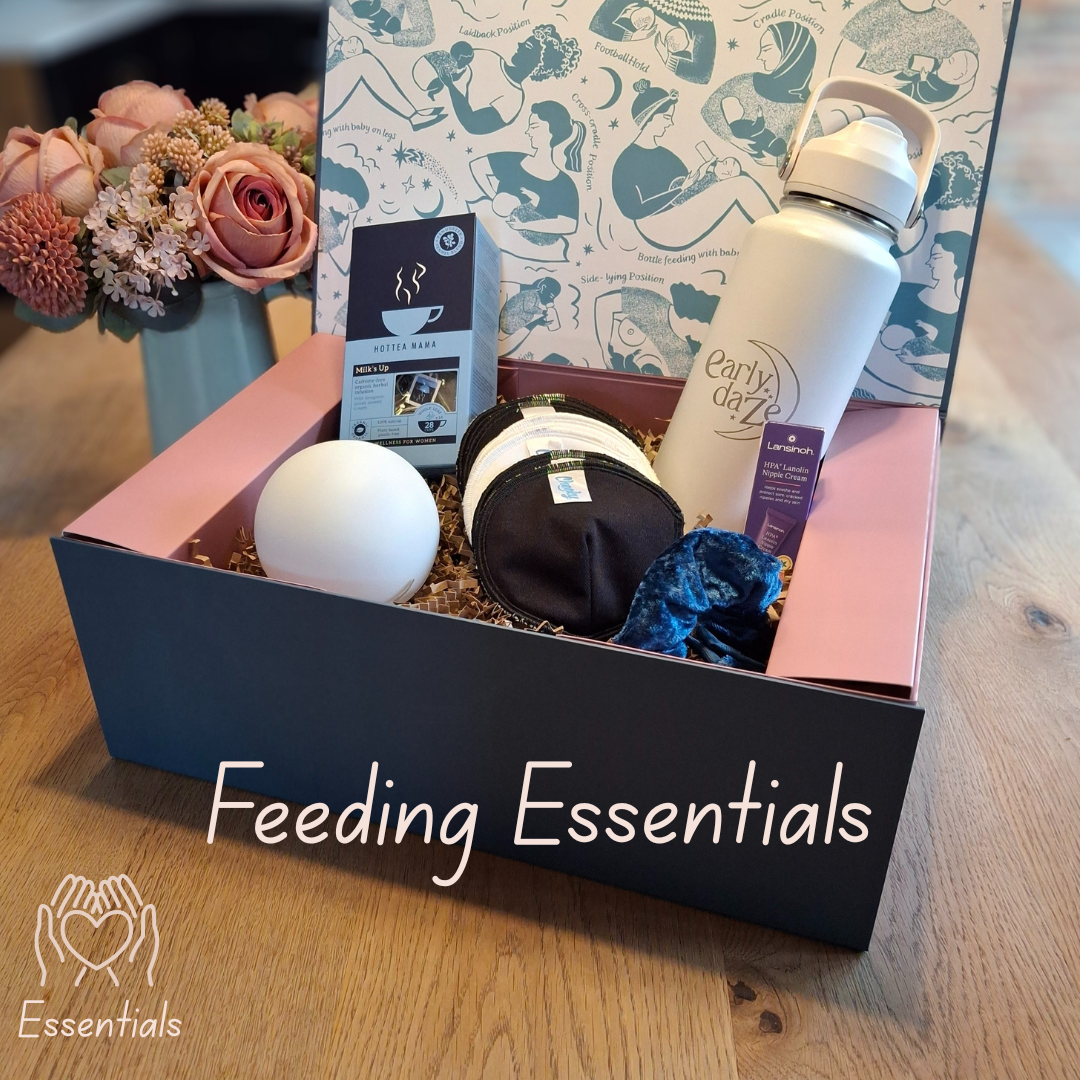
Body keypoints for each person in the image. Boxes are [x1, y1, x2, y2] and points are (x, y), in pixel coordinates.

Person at [611, 80, 777, 251]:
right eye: (667, 117)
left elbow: (689, 192)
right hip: (656, 225)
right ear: (649, 118)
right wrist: (680, 189)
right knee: (740, 185)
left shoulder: (667, 155)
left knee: (740, 180)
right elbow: (632, 211)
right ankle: (779, 235)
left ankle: (776, 234)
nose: (670, 123)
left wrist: (708, 175)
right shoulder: (626, 161)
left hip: (678, 214)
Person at [468, 101, 585, 262]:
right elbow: (477, 166)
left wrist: (524, 226)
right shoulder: (514, 161)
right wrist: (495, 197)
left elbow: (568, 225)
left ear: (551, 131)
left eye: (534, 126)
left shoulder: (564, 184)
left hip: (536, 251)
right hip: (498, 248)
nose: (528, 132)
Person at [412, 26, 581, 136]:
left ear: (540, 64)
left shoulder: (513, 101)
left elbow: (472, 124)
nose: (520, 44)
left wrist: (450, 86)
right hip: (420, 96)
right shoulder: (489, 56)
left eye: (528, 46)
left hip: (434, 127)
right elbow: (450, 64)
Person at [701, 23, 820, 166]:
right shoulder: (747, 82)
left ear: (790, 53)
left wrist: (776, 162)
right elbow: (709, 108)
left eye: (766, 49)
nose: (760, 56)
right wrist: (733, 139)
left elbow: (814, 156)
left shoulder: (804, 107)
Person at [831, 0, 979, 100]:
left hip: (908, 124)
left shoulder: (952, 27)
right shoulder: (878, 11)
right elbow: (838, 69)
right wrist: (881, 81)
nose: (945, 59)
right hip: (860, 102)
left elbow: (966, 82)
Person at [324, 9, 445, 129]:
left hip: (325, 93)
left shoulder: (336, 42)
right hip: (324, 99)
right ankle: (413, 116)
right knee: (365, 61)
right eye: (351, 42)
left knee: (366, 60)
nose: (349, 40)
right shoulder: (336, 49)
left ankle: (413, 113)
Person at [879, 231, 970, 370]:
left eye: (936, 257)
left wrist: (916, 359)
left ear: (957, 262)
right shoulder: (905, 291)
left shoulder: (957, 320)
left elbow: (947, 359)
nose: (929, 263)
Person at [590, 0, 716, 84]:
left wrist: (668, 58)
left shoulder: (700, 13)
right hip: (603, 68)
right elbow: (598, 23)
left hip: (659, 82)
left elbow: (703, 73)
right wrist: (630, 36)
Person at [499, 278, 562, 356]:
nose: (551, 300)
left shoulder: (535, 297)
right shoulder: (531, 294)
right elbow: (528, 308)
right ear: (543, 288)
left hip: (516, 322)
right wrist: (543, 312)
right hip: (512, 321)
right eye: (551, 296)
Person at [895, 49, 979, 108]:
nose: (944, 59)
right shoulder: (936, 65)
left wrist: (924, 80)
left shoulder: (947, 91)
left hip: (912, 92)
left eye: (950, 61)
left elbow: (926, 97)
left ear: (958, 76)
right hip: (912, 80)